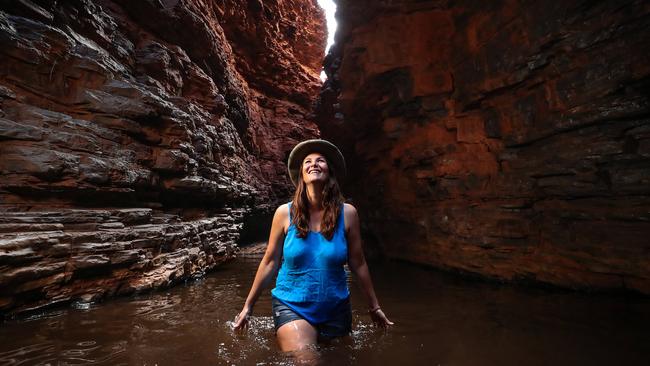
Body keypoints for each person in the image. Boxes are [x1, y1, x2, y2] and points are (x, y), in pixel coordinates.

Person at [233, 139, 393, 355]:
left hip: (336, 307)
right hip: (292, 305)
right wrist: (248, 307)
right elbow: (270, 261)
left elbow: (358, 262)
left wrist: (374, 307)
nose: (314, 164)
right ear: (301, 175)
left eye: (321, 160)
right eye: (307, 161)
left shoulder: (348, 214)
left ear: (330, 172)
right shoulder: (283, 213)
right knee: (307, 359)